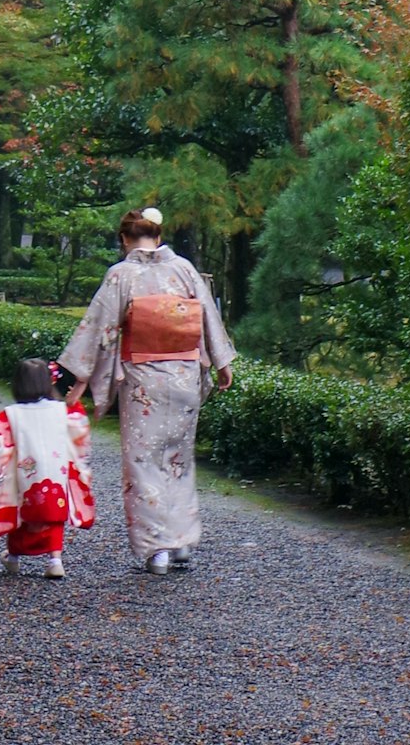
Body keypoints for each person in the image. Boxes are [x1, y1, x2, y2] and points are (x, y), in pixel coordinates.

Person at [59, 206, 235, 577]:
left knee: (144, 462)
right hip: (185, 377)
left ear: (125, 239)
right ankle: (181, 542)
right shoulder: (184, 268)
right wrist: (222, 364)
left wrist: (80, 380)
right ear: (158, 235)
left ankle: (158, 549)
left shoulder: (121, 274)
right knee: (178, 459)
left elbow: (100, 329)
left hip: (144, 380)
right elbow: (209, 318)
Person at [0, 355, 94, 578]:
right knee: (54, 513)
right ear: (47, 382)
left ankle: (13, 557)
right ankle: (55, 561)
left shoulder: (12, 414)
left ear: (19, 384)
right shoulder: (60, 410)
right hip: (56, 473)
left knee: (19, 510)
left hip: (25, 474)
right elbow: (78, 425)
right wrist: (77, 394)